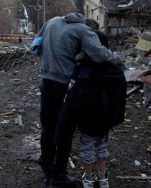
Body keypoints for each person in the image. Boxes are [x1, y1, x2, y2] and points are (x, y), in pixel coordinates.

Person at [35, 12, 123, 188]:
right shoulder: (83, 30)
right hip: (61, 83)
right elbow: (98, 53)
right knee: (64, 129)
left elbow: (36, 43)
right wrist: (118, 59)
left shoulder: (52, 21)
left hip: (46, 80)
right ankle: (58, 175)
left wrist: (51, 58)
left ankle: (47, 168)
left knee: (48, 125)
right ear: (89, 28)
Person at [58, 30, 126, 188]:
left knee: (87, 147)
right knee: (102, 146)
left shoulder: (83, 70)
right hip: (106, 119)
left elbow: (75, 97)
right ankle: (103, 179)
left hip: (87, 120)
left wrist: (72, 118)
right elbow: (121, 97)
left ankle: (88, 179)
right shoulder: (116, 70)